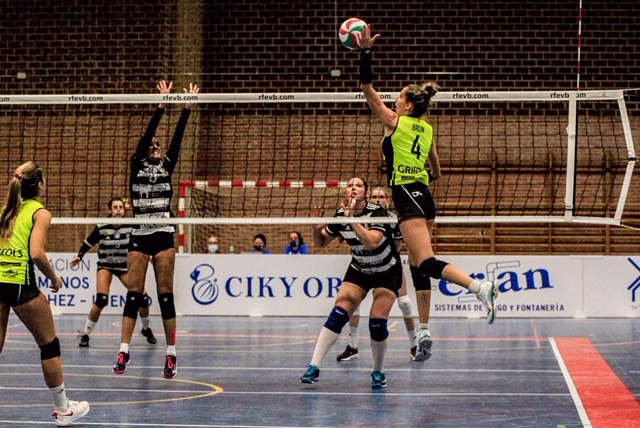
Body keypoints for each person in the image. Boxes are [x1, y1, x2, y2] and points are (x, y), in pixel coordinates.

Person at [357, 26, 499, 362]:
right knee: (416, 264)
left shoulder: (395, 121)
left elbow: (367, 89)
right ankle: (423, 329)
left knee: (427, 262)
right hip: (423, 195)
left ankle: (479, 287)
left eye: (399, 97)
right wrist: (420, 177)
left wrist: (364, 52)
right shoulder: (427, 128)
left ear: (407, 104)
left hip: (407, 195)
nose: (394, 99)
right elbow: (437, 168)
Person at [112, 80, 199, 379]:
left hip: (163, 234)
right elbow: (145, 139)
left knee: (165, 297)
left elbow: (177, 140)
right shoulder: (136, 165)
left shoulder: (167, 165)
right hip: (139, 235)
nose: (154, 146)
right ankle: (123, 350)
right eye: (151, 145)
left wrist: (186, 109)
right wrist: (161, 106)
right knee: (134, 295)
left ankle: (171, 354)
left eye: (157, 145)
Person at [0, 161, 90, 425]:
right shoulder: (40, 213)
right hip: (20, 283)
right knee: (49, 345)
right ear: (40, 184)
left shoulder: (4, 210)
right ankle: (63, 410)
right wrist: (55, 278)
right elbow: (36, 253)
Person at [300, 177, 401, 389]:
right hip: (360, 269)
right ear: (346, 192)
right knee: (339, 313)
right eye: (350, 186)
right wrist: (316, 228)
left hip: (387, 270)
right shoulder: (340, 215)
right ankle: (314, 366)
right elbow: (320, 243)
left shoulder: (378, 213)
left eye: (358, 185)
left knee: (377, 322)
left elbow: (373, 242)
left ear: (366, 193)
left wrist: (352, 219)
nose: (353, 188)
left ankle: (377, 371)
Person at [335, 186, 418, 361]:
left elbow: (397, 246)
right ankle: (352, 346)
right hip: (363, 264)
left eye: (381, 197)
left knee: (404, 302)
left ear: (387, 200)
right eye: (374, 197)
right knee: (353, 303)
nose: (378, 200)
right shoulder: (359, 216)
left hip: (389, 265)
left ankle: (414, 344)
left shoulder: (393, 219)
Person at [71, 197, 157, 347]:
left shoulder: (131, 226)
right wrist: (79, 256)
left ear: (124, 210)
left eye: (120, 207)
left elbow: (142, 243)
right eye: (115, 207)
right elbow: (88, 243)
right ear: (110, 210)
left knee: (143, 298)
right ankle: (85, 335)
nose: (118, 210)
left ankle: (146, 329)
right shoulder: (102, 225)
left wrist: (149, 255)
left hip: (124, 267)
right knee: (101, 299)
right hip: (106, 265)